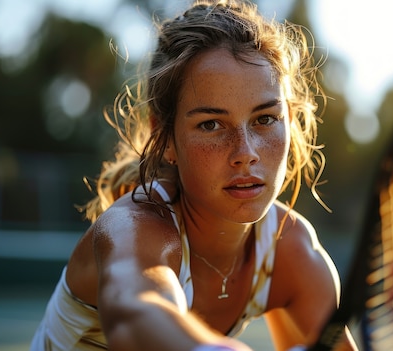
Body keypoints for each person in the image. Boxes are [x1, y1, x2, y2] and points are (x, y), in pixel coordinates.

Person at [30, 0, 358, 350]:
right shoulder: (134, 228)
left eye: (264, 119)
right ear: (166, 137)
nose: (245, 152)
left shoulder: (290, 251)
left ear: (290, 121)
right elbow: (136, 313)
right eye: (211, 124)